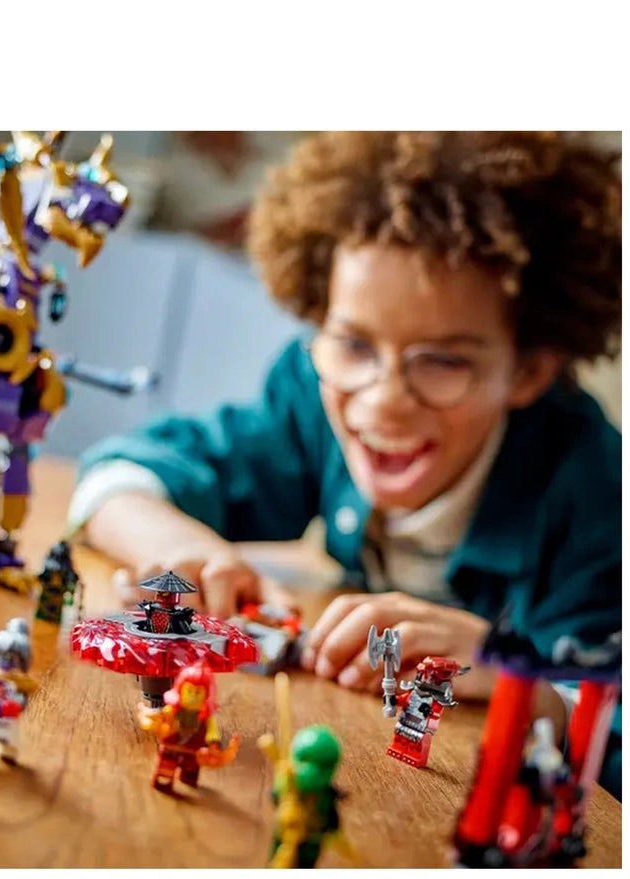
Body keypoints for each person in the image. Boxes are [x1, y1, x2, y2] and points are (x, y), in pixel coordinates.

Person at [67, 132, 621, 790]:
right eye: (355, 345)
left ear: (528, 371)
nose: (382, 402)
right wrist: (179, 548)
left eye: (443, 361)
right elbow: (123, 472)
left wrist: (525, 685)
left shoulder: (596, 496)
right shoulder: (311, 395)